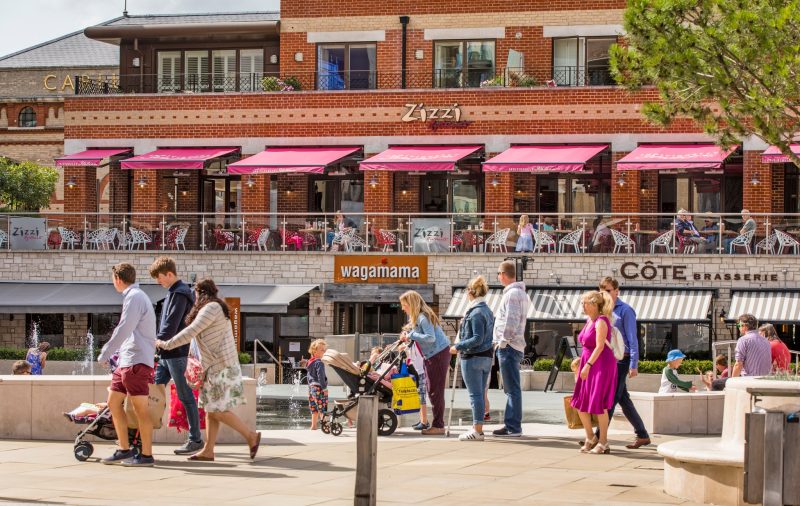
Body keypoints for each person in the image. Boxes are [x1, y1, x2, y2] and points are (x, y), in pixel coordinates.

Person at [157, 279, 261, 461]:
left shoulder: (211, 308)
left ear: (200, 293)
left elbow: (191, 331)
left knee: (216, 410)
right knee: (210, 411)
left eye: (195, 294)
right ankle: (208, 450)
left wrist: (166, 344)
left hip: (220, 367)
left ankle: (250, 436)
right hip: (214, 367)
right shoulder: (214, 307)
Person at [97, 263, 158, 467]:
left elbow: (124, 328)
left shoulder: (134, 297)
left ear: (118, 279)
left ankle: (147, 455)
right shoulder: (134, 296)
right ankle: (124, 449)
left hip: (136, 361)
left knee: (141, 409)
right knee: (113, 403)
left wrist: (105, 352)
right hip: (127, 361)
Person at [149, 256, 202, 455]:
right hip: (166, 353)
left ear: (170, 274)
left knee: (185, 396)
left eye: (160, 277)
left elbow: (171, 323)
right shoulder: (175, 292)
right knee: (152, 392)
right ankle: (139, 434)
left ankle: (195, 439)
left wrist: (157, 343)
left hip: (175, 352)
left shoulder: (179, 293)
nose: (158, 281)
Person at [595, 277, 651, 449]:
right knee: (622, 398)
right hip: (608, 359)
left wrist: (634, 364)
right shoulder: (602, 310)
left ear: (617, 291)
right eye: (602, 290)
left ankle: (598, 437)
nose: (605, 293)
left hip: (622, 359)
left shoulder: (625, 310)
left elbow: (633, 339)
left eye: (609, 290)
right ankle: (642, 434)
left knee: (611, 397)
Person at [399, 290, 450, 436]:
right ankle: (437, 424)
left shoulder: (422, 317)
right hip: (434, 354)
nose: (403, 308)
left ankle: (438, 426)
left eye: (404, 305)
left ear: (412, 304)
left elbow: (430, 338)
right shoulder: (420, 317)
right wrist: (409, 335)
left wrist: (411, 335)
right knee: (432, 389)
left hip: (437, 354)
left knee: (435, 391)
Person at [572, 291, 617, 454]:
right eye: (582, 303)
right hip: (588, 361)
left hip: (600, 364)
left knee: (599, 404)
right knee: (580, 402)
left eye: (585, 303)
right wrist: (581, 362)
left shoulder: (601, 321)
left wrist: (588, 365)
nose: (583, 306)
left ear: (594, 304)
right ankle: (591, 436)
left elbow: (599, 346)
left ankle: (603, 442)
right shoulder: (589, 321)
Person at [450, 275, 495, 441]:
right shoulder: (487, 310)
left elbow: (477, 338)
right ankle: (478, 428)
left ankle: (477, 430)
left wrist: (457, 346)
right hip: (486, 357)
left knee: (475, 395)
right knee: (480, 393)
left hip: (473, 357)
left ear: (471, 292)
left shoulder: (475, 312)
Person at [492, 260, 529, 437]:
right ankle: (511, 424)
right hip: (514, 345)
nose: (498, 277)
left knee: (512, 388)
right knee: (511, 387)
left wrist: (503, 341)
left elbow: (511, 320)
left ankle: (513, 426)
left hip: (509, 346)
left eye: (499, 274)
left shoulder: (512, 294)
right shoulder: (520, 293)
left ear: (503, 274)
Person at [406, 341, 430, 430]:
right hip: (417, 372)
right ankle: (423, 420)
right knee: (420, 397)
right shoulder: (411, 345)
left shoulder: (416, 343)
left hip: (421, 372)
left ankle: (424, 422)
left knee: (422, 397)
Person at [306, 339, 328, 430]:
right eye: (322, 350)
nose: (324, 351)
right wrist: (324, 388)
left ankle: (313, 426)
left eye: (324, 349)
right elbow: (321, 376)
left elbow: (308, 376)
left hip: (311, 388)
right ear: (315, 351)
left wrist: (310, 387)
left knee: (314, 408)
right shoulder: (319, 363)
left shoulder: (310, 362)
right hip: (319, 388)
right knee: (322, 407)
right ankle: (325, 426)